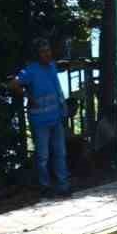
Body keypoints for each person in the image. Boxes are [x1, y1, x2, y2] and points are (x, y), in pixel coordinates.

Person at [8, 37, 72, 198]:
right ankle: (45, 186)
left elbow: (57, 88)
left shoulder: (51, 66)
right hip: (39, 120)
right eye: (43, 52)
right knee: (43, 155)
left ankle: (63, 185)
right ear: (38, 54)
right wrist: (28, 96)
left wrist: (63, 110)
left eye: (48, 51)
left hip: (56, 118)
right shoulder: (30, 70)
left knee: (60, 153)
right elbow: (13, 84)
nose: (47, 54)